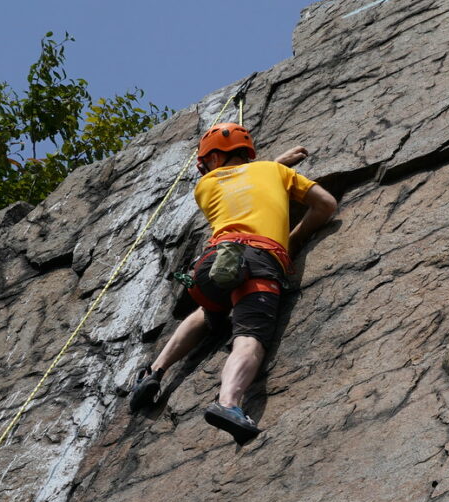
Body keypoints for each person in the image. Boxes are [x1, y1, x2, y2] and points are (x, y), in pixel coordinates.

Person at [127, 123, 339, 443]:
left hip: (213, 263)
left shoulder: (205, 186)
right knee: (250, 338)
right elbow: (325, 204)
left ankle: (153, 371)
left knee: (207, 308)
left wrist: (273, 165)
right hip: (260, 260)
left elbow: (241, 183)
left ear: (212, 159)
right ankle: (228, 404)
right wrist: (293, 241)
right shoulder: (272, 172)